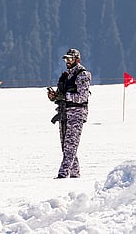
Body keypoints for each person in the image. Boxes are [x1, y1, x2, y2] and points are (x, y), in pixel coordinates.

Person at [47, 48, 91, 178]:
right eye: (66, 59)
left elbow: (82, 97)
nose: (67, 61)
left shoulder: (83, 75)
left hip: (76, 114)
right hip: (64, 113)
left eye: (70, 59)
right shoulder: (65, 75)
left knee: (70, 146)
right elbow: (60, 95)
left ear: (77, 60)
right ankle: (74, 174)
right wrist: (54, 96)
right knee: (65, 145)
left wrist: (64, 96)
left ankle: (63, 174)